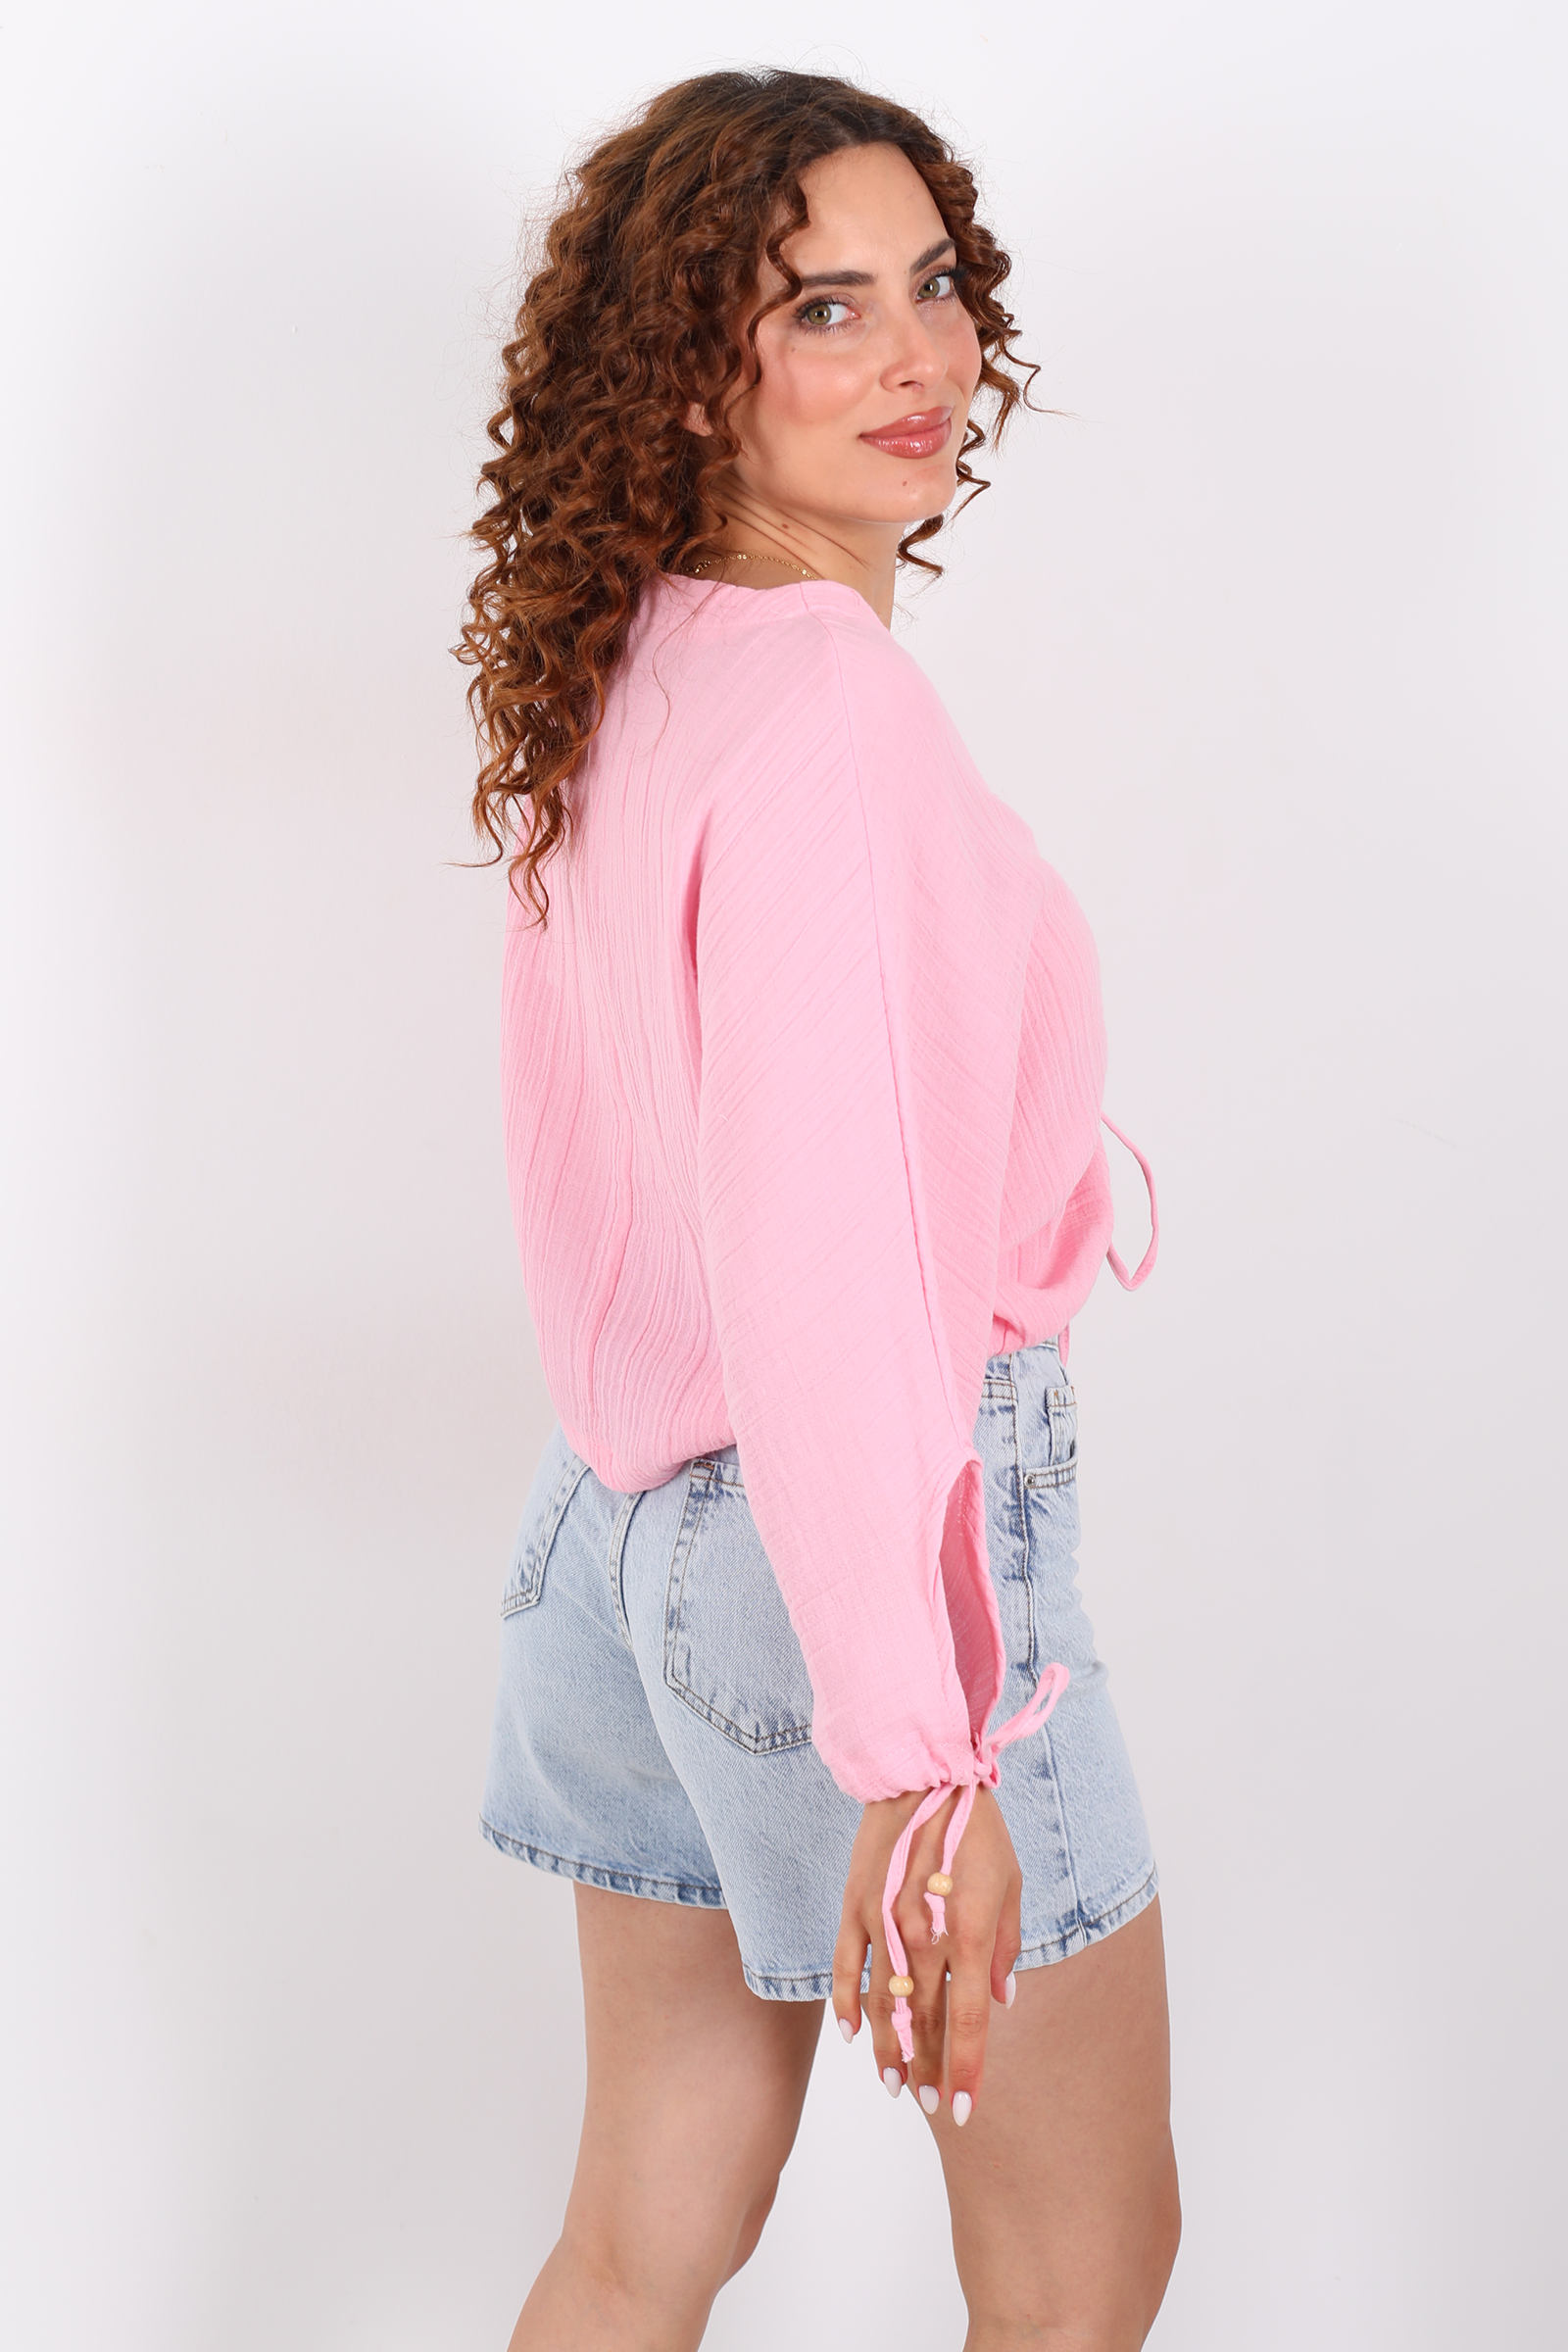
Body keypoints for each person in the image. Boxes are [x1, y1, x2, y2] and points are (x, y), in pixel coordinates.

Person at [458, 66, 1181, 2352]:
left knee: (640, 2236)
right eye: (823, 309)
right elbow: (826, 1262)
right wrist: (914, 1749)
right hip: (851, 1568)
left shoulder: (633, 666)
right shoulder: (831, 721)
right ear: (693, 368)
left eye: (932, 285)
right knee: (1077, 2267)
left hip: (614, 1540)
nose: (915, 357)